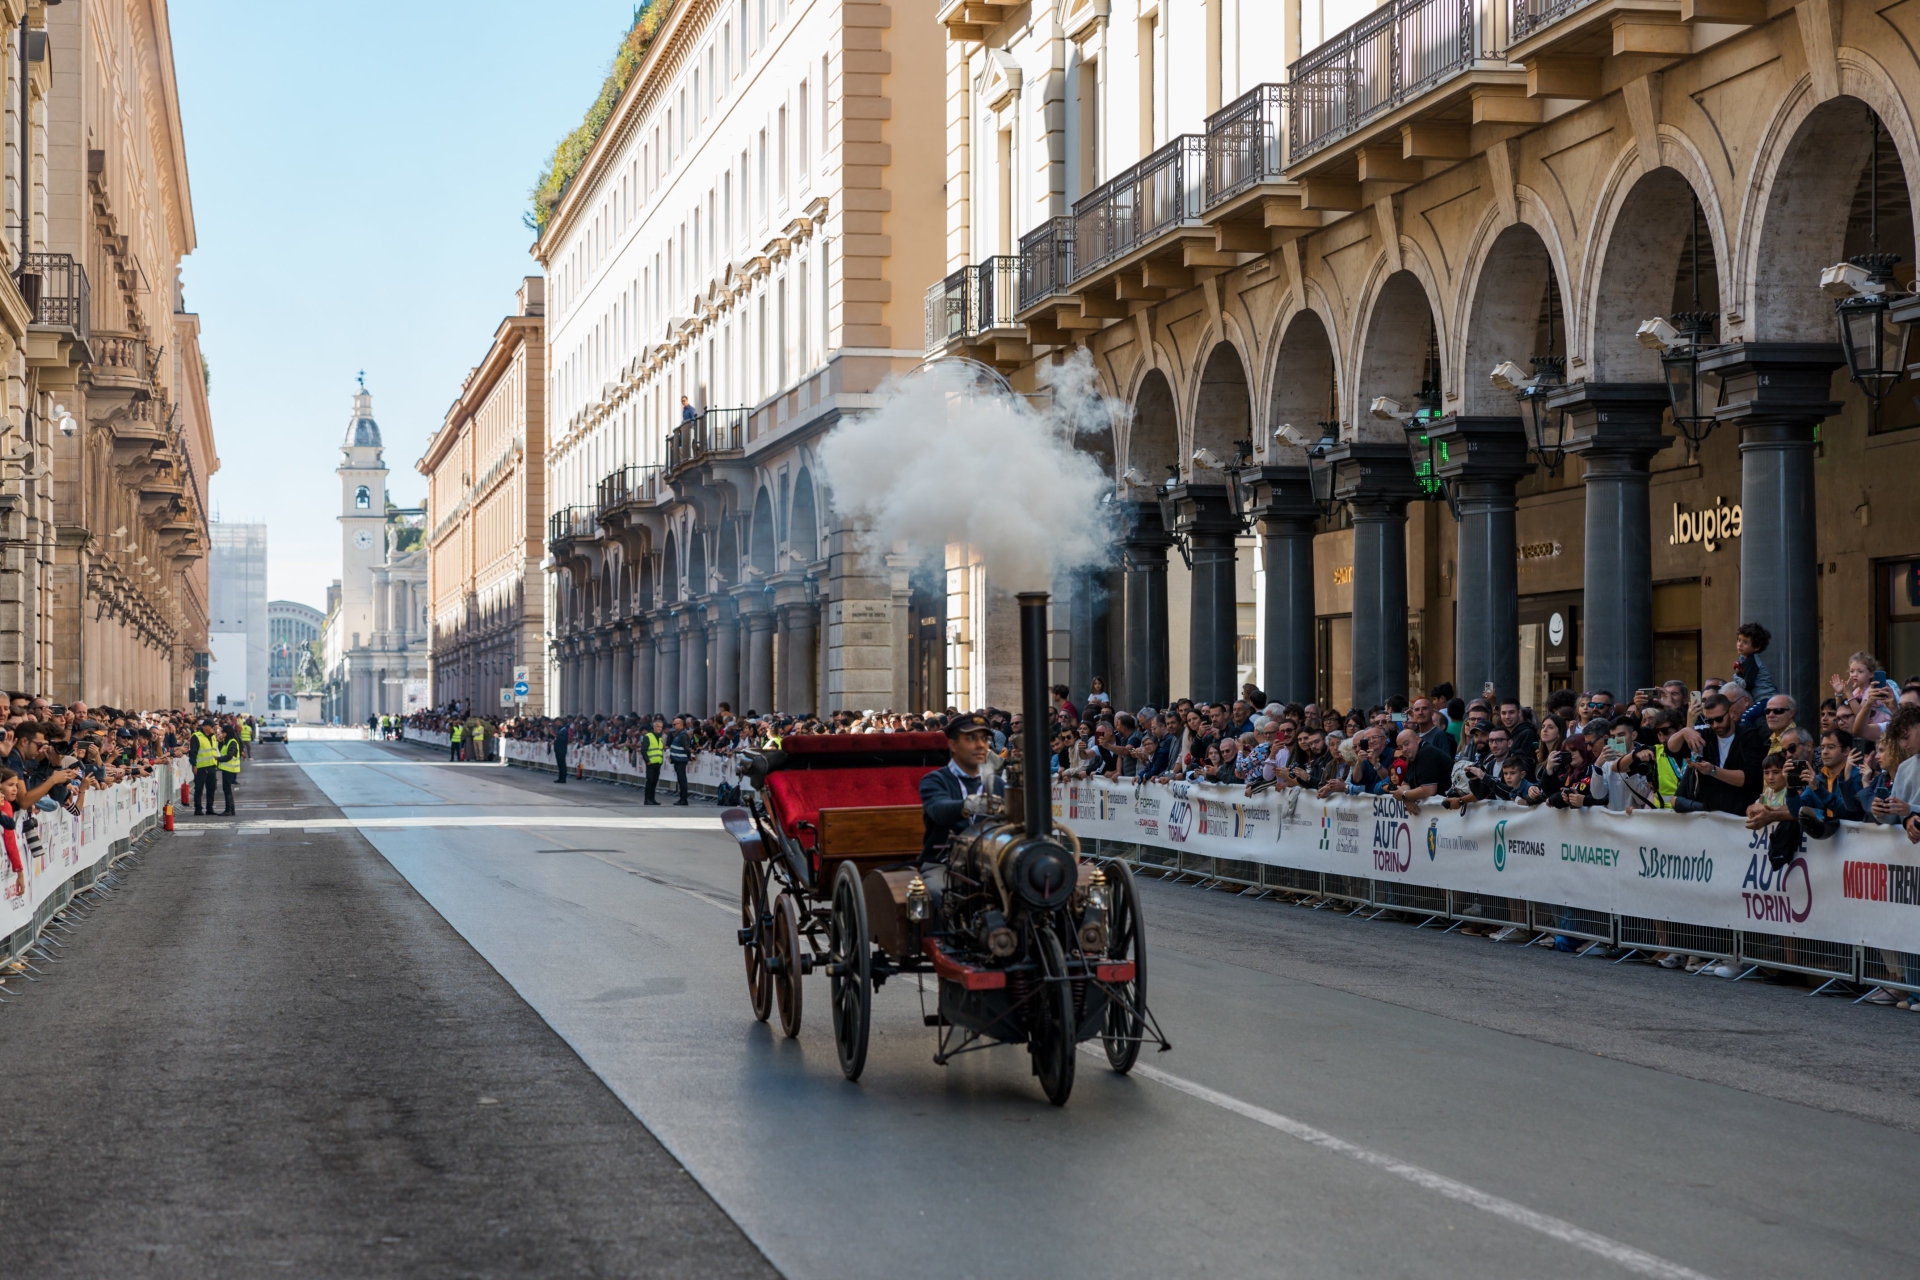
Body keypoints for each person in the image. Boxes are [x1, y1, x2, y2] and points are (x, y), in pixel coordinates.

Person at [919, 711, 1000, 861]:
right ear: (953, 745)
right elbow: (939, 809)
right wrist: (970, 805)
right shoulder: (935, 780)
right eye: (971, 738)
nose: (981, 745)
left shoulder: (996, 783)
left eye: (984, 738)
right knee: (938, 885)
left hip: (989, 863)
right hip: (943, 862)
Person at [191, 718, 220, 816]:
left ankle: (209, 808)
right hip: (201, 767)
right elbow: (193, 752)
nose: (213, 729)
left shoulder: (213, 737)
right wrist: (194, 765)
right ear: (206, 726)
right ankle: (198, 808)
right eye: (212, 727)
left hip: (211, 766)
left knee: (211, 788)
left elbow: (214, 750)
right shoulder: (196, 736)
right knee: (199, 789)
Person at [668, 715, 694, 805]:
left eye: (675, 724)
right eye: (673, 724)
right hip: (677, 760)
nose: (673, 726)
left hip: (681, 760)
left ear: (680, 724)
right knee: (680, 779)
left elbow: (686, 747)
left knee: (682, 779)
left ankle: (684, 799)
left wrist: (689, 756)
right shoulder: (678, 734)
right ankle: (682, 798)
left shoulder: (682, 734)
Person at [217, 726, 242, 815]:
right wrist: (220, 742)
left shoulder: (232, 742)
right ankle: (231, 809)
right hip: (227, 769)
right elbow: (221, 751)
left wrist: (218, 759)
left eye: (223, 733)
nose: (222, 734)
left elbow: (229, 755)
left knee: (227, 789)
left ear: (227, 733)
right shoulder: (227, 742)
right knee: (227, 789)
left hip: (229, 769)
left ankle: (229, 809)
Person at [642, 716, 667, 803]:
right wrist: (647, 761)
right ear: (654, 727)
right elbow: (644, 750)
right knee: (649, 781)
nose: (660, 728)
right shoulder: (648, 736)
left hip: (657, 763)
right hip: (651, 763)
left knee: (654, 781)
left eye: (661, 727)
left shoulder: (659, 737)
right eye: (658, 726)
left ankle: (652, 799)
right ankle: (647, 799)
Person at [551, 717, 570, 784]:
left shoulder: (564, 730)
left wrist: (556, 736)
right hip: (558, 748)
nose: (556, 723)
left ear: (561, 722)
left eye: (557, 722)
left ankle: (563, 778)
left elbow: (563, 739)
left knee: (562, 764)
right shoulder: (559, 730)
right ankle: (560, 777)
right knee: (559, 764)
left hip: (562, 749)